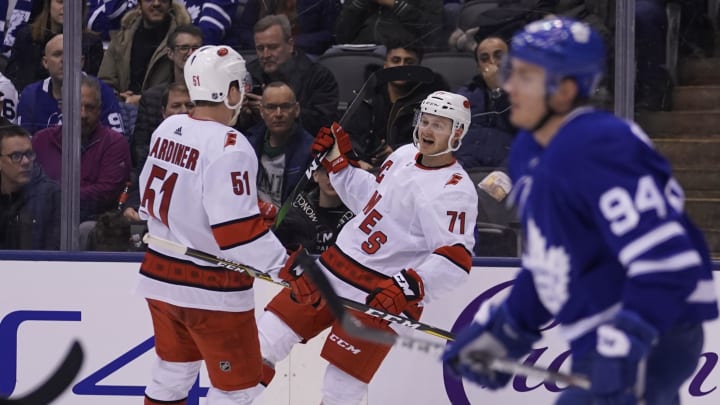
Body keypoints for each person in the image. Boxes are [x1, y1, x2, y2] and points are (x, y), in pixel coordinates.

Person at [442, 17, 718, 405]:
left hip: (656, 330)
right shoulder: (528, 151)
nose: (508, 85)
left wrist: (628, 340)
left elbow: (665, 260)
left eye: (525, 76)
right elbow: (549, 264)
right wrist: (505, 331)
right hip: (601, 335)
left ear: (564, 90)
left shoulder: (600, 145)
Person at [256, 90, 477, 404]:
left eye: (439, 125)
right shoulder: (402, 155)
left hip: (380, 292)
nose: (427, 130)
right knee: (260, 346)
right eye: (425, 121)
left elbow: (455, 259)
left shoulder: (454, 190)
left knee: (340, 389)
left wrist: (407, 288)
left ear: (457, 132)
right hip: (333, 268)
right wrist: (339, 164)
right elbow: (373, 202)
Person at [135, 44, 316, 405]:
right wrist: (286, 268)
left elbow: (157, 205)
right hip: (210, 288)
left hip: (158, 276)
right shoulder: (231, 145)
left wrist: (250, 208)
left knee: (172, 373)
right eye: (241, 85)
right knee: (239, 389)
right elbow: (236, 234)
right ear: (230, 91)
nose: (245, 93)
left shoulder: (169, 126)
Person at [31, 76, 131, 247]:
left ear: (100, 110)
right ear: (62, 107)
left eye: (90, 108)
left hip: (95, 222)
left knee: (86, 230)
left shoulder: (114, 143)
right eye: (76, 107)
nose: (83, 114)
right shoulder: (41, 141)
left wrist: (56, 196)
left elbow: (106, 192)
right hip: (44, 219)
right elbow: (30, 184)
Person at [343, 39, 448, 168]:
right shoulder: (366, 98)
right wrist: (356, 162)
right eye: (396, 60)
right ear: (385, 65)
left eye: (409, 62)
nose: (402, 66)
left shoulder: (432, 104)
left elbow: (437, 144)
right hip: (366, 170)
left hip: (412, 170)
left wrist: (397, 153)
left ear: (418, 68)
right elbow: (347, 137)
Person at [236, 14, 339, 136]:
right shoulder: (248, 74)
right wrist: (241, 117)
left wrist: (277, 112)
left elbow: (324, 125)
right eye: (260, 48)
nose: (265, 54)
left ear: (290, 45)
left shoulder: (319, 77)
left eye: (272, 47)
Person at [16, 34, 125, 136]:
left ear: (81, 61)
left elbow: (116, 141)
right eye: (57, 54)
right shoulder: (30, 95)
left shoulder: (101, 91)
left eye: (70, 54)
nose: (64, 60)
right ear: (45, 62)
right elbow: (24, 144)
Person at [132, 23, 203, 170]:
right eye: (184, 48)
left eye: (196, 48)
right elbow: (140, 148)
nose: (190, 53)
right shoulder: (152, 97)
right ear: (170, 53)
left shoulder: (212, 95)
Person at [98, 0, 191, 106]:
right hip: (122, 110)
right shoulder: (122, 38)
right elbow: (105, 81)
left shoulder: (184, 41)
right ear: (139, 3)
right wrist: (119, 98)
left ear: (170, 3)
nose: (156, 3)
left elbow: (186, 87)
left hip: (164, 114)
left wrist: (143, 100)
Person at [4, 0, 104, 92]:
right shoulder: (26, 37)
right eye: (60, 2)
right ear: (48, 5)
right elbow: (12, 77)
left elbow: (91, 87)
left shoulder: (91, 44)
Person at [244, 81, 314, 208]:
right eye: (271, 107)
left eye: (285, 106)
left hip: (289, 224)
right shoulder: (247, 143)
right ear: (261, 111)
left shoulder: (311, 152)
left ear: (296, 109)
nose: (278, 114)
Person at [455, 35, 515, 170]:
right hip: (465, 169)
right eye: (484, 58)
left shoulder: (528, 93)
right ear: (478, 66)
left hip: (507, 170)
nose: (492, 62)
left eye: (499, 56)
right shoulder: (464, 94)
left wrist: (497, 89)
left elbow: (522, 128)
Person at [0, 122, 60, 250]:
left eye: (29, 154)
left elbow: (54, 256)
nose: (26, 161)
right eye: (16, 156)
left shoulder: (51, 196)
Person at [273, 165, 355, 254]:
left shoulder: (358, 214)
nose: (332, 179)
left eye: (339, 174)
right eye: (328, 173)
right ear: (316, 175)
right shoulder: (296, 210)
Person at [231, 0, 341, 56]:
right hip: (262, 54)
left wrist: (292, 43)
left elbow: (330, 35)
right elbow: (243, 30)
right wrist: (265, 43)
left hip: (304, 54)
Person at [334, 0, 443, 49]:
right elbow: (341, 36)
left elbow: (432, 34)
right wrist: (360, 3)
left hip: (402, 51)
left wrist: (395, 4)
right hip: (360, 50)